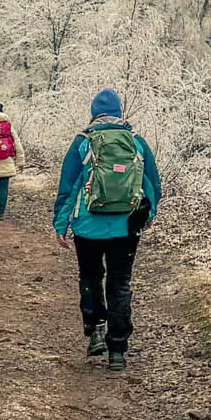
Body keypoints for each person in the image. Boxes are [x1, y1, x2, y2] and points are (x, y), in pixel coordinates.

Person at [51, 88, 160, 372]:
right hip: (126, 226)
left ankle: (96, 330)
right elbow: (153, 184)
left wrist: (60, 224)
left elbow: (68, 187)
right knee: (120, 283)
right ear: (120, 112)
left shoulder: (82, 142)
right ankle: (118, 350)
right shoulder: (136, 142)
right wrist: (149, 215)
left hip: (87, 226)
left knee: (90, 276)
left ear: (93, 114)